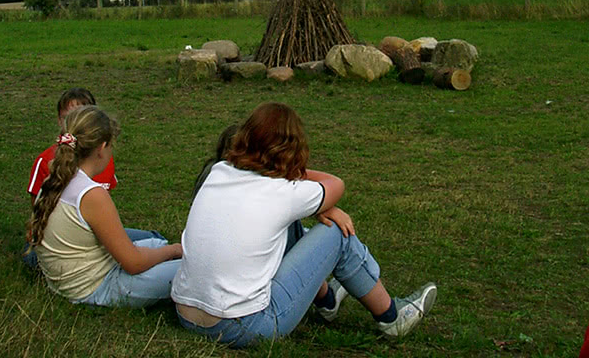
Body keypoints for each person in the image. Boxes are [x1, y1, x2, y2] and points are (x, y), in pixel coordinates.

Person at [172, 102, 436, 347]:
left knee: (289, 224)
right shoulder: (284, 192)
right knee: (336, 234)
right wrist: (296, 179)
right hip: (245, 326)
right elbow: (336, 184)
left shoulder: (219, 171)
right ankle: (392, 317)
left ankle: (326, 301)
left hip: (186, 313)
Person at [27, 105, 182, 307]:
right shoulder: (91, 194)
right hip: (97, 288)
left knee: (156, 244)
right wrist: (173, 250)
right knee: (196, 270)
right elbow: (133, 263)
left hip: (72, 280)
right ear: (101, 148)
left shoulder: (54, 180)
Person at [23, 88, 162, 269]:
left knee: (156, 239)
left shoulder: (103, 161)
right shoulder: (47, 162)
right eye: (69, 117)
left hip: (91, 232)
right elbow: (38, 211)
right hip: (63, 242)